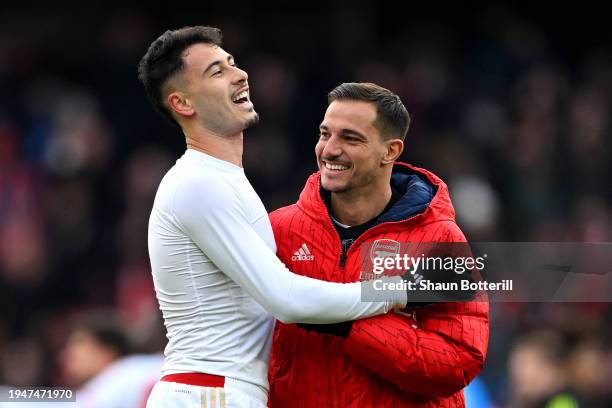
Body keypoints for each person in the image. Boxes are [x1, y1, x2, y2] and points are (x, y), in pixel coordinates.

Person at [137, 27, 408, 408]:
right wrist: (398, 289)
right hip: (208, 392)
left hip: (218, 390)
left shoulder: (220, 178)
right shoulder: (197, 183)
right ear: (182, 103)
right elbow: (285, 298)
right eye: (216, 72)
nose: (239, 74)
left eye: (231, 63)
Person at [268, 82, 490, 407]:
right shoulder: (280, 229)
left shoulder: (440, 240)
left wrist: (345, 324)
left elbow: (457, 362)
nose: (329, 149)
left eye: (350, 138)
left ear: (390, 151)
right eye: (325, 134)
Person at [59, 313, 163, 408]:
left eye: (80, 343)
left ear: (107, 351)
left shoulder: (121, 375)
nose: (67, 354)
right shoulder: (139, 369)